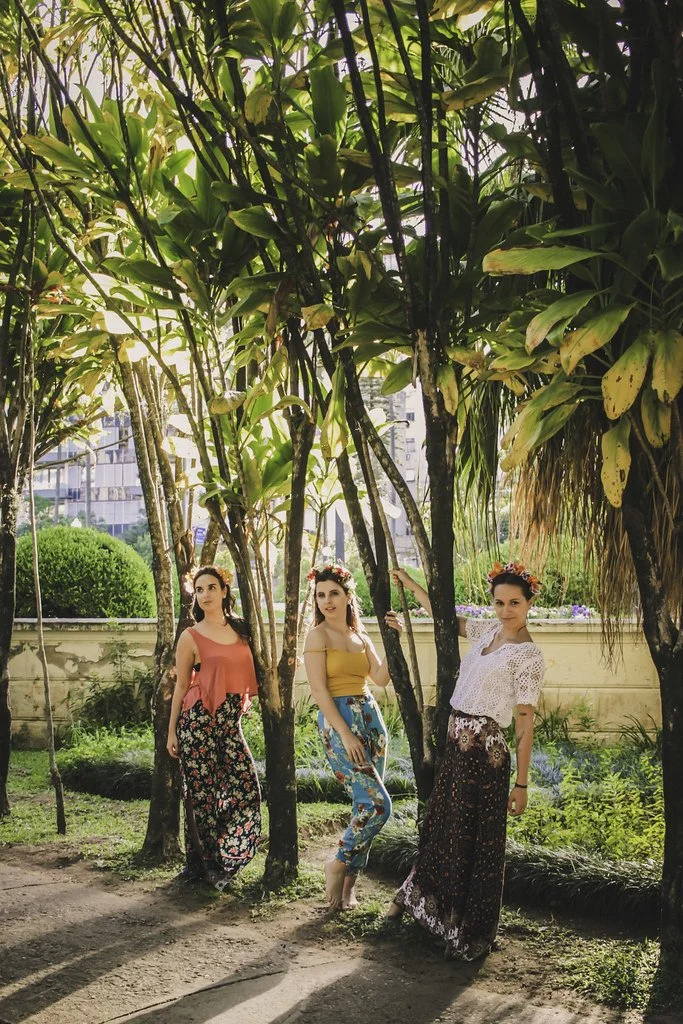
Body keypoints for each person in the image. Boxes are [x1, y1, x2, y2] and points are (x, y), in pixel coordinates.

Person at [386, 561, 545, 961]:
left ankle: (467, 928)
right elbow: (446, 620)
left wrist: (522, 784)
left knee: (475, 842)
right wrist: (409, 583)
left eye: (514, 603)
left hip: (485, 756)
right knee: (443, 828)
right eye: (499, 602)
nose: (506, 610)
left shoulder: (528, 657)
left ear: (528, 603)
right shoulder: (487, 632)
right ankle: (428, 908)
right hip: (457, 749)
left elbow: (525, 721)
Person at [303, 562, 403, 911]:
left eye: (333, 593)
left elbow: (380, 678)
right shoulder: (317, 636)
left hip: (371, 721)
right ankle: (337, 863)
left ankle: (346, 893)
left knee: (362, 806)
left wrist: (395, 639)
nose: (327, 601)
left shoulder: (360, 635)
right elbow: (318, 690)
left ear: (348, 596)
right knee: (378, 805)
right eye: (320, 595)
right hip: (340, 722)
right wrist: (345, 734)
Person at [167, 565, 261, 889]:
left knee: (246, 785)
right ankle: (201, 868)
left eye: (211, 587)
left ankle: (227, 854)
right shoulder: (190, 636)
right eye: (200, 589)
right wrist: (171, 732)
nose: (205, 594)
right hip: (197, 724)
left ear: (224, 590)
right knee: (201, 796)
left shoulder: (243, 631)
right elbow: (181, 687)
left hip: (229, 725)